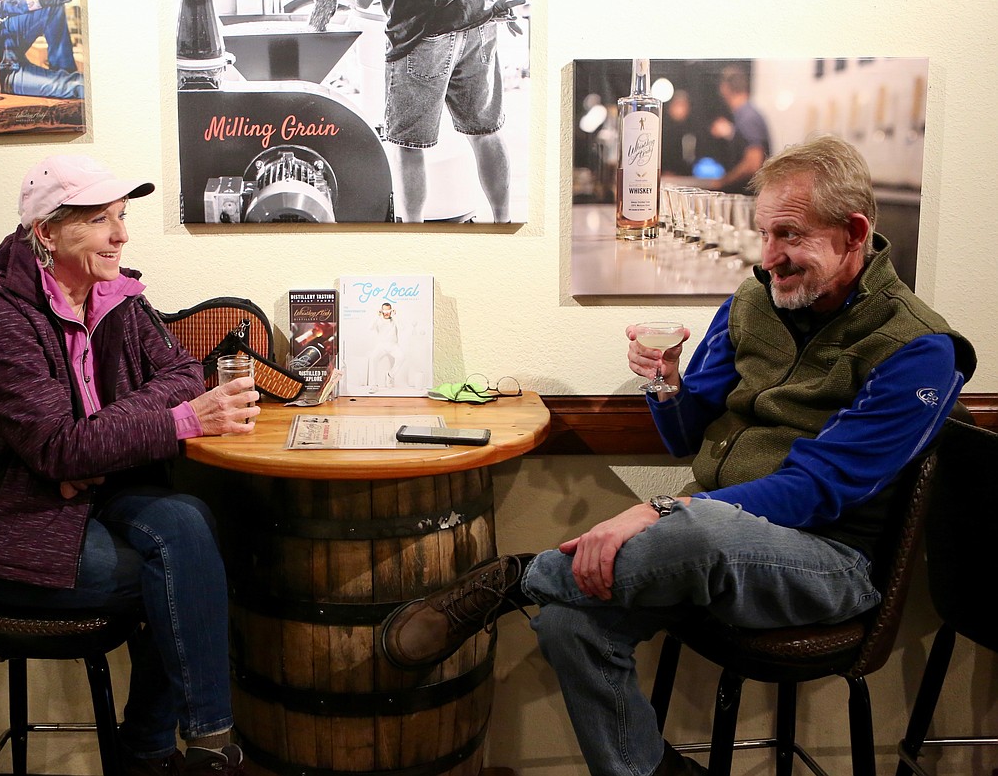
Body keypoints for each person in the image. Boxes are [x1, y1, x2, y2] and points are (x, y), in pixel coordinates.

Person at [378, 135, 975, 776]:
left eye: (789, 236)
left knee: (702, 527)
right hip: (707, 539)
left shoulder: (921, 348)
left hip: (829, 561)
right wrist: (664, 381)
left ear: (853, 232)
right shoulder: (752, 301)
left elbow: (816, 488)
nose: (769, 256)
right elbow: (686, 436)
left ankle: (514, 579)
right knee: (567, 625)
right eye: (764, 233)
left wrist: (663, 512)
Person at [0, 155, 259, 776]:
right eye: (99, 220)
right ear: (46, 234)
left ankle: (172, 747)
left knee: (188, 523)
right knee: (186, 570)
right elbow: (58, 449)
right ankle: (187, 751)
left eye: (121, 216)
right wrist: (173, 423)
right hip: (14, 533)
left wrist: (98, 440)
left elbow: (183, 372)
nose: (121, 235)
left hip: (87, 494)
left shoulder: (114, 296)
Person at [337, 0, 525, 222]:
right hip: (478, 15)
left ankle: (414, 236)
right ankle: (503, 225)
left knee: (408, 146)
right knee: (485, 133)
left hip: (422, 29)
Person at [706, 64, 770, 193]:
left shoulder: (748, 117)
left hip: (747, 199)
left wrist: (723, 181)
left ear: (725, 88)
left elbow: (753, 164)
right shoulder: (745, 115)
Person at [367, 302, 403, 388]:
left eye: (388, 310)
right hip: (382, 345)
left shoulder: (394, 320)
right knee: (373, 359)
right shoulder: (378, 320)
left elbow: (402, 328)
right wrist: (377, 316)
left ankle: (390, 374)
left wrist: (395, 316)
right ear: (381, 311)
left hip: (393, 345)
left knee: (402, 357)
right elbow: (370, 328)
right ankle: (374, 384)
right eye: (384, 310)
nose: (386, 313)